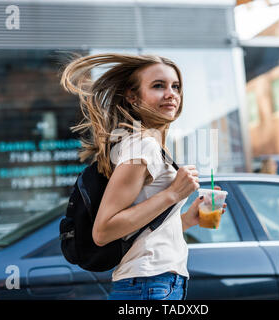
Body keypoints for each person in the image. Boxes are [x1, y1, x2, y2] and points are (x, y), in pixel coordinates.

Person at [60, 53, 226, 300]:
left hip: (156, 283)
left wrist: (186, 220)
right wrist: (172, 193)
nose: (171, 94)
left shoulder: (148, 144)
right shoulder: (141, 145)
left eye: (176, 86)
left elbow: (142, 234)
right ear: (132, 96)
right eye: (159, 86)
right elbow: (103, 231)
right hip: (149, 285)